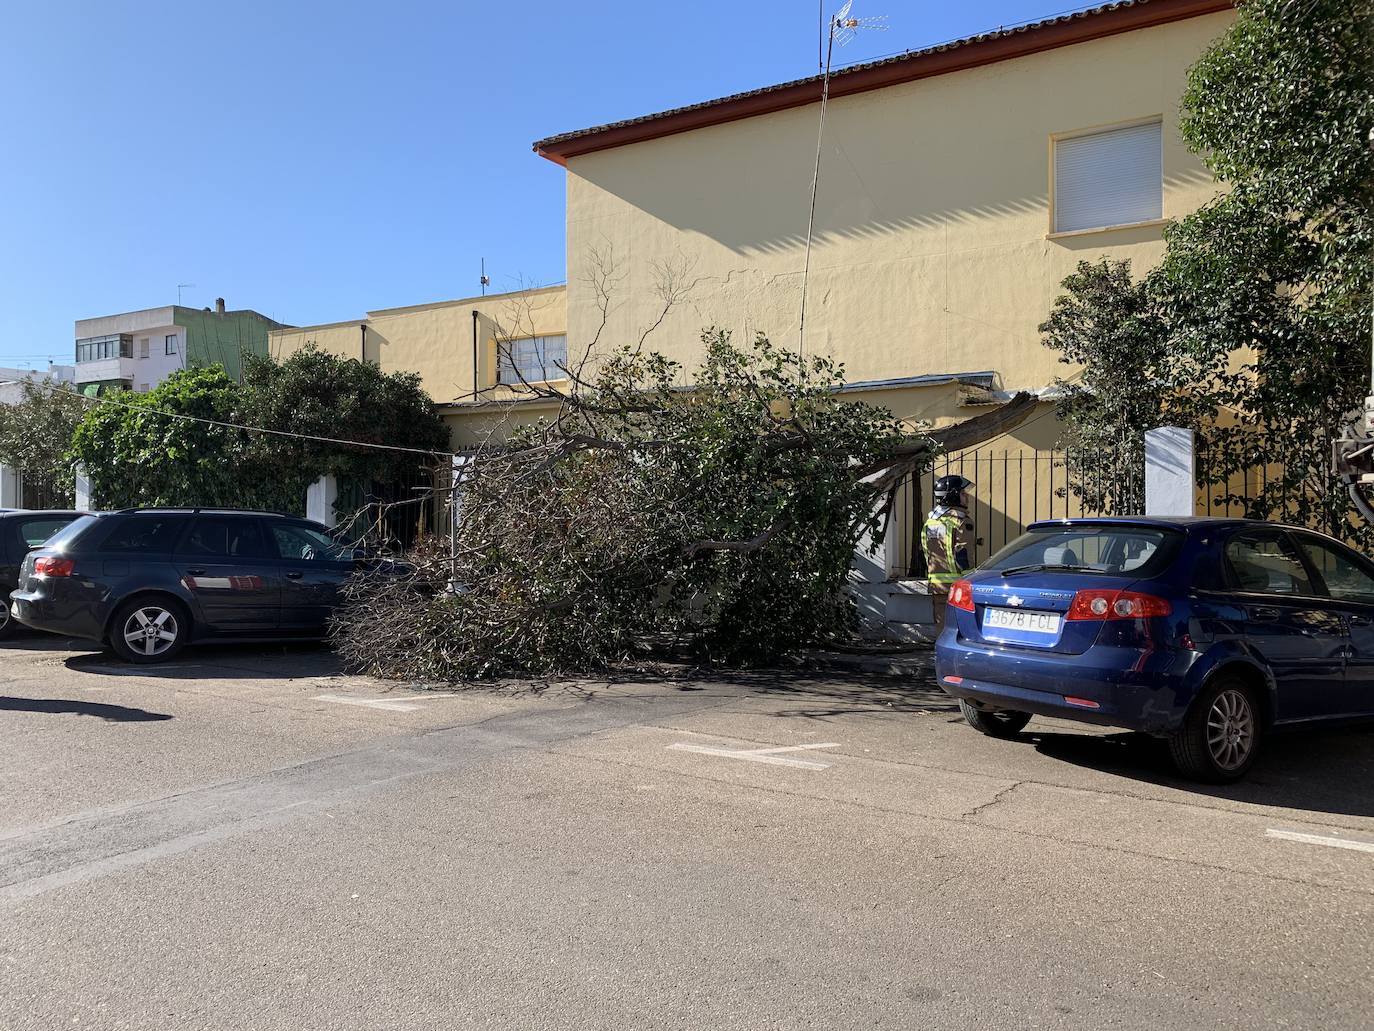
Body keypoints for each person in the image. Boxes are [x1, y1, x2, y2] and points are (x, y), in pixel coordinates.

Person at [922, 474, 975, 635]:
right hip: (958, 586)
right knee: (961, 631)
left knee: (942, 629)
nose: (967, 496)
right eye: (963, 493)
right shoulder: (961, 520)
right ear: (953, 495)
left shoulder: (931, 521)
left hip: (937, 585)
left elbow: (927, 550)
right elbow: (963, 554)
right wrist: (969, 581)